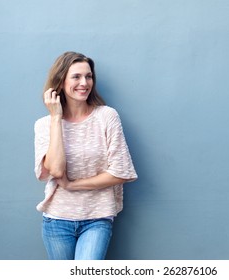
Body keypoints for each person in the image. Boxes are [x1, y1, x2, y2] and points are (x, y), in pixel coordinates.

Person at [34, 51, 138, 260]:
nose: (84, 82)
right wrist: (56, 118)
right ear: (60, 81)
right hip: (56, 220)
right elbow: (55, 170)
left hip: (97, 217)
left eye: (88, 76)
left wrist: (73, 185)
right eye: (76, 77)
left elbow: (121, 172)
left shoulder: (107, 116)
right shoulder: (44, 124)